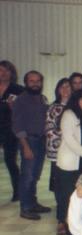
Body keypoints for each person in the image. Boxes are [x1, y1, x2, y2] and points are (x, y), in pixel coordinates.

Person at [55, 89, 82, 234]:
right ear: (76, 100)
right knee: (66, 194)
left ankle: (79, 220)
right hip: (70, 162)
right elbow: (69, 140)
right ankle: (62, 221)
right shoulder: (68, 115)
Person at [12, 70, 51, 220]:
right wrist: (26, 146)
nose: (35, 84)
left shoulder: (42, 98)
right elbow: (17, 125)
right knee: (27, 176)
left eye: (38, 81)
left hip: (40, 141)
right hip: (28, 142)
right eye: (32, 81)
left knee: (35, 175)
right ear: (26, 82)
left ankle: (33, 203)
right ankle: (25, 207)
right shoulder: (20, 100)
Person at [45, 78, 72, 210]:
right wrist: (66, 137)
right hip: (57, 150)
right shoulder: (53, 107)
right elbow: (49, 128)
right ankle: (61, 207)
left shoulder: (76, 106)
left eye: (68, 87)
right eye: (62, 87)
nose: (65, 90)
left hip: (74, 151)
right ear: (58, 90)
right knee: (58, 181)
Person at [0, 60, 24, 202]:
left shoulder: (18, 89)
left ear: (12, 73)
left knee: (10, 161)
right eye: (1, 70)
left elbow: (23, 112)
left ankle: (18, 192)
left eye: (6, 70)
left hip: (10, 130)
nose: (3, 73)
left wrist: (14, 106)